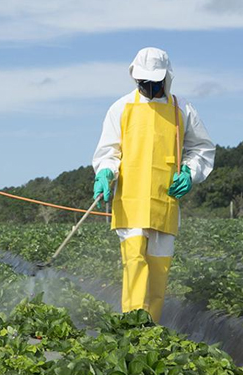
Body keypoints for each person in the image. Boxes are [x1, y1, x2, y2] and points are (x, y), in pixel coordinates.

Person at [92, 47, 214, 322]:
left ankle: (151, 332)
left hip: (165, 201)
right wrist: (105, 174)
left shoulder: (182, 109)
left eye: (154, 82)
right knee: (134, 264)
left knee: (158, 273)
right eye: (143, 83)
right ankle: (131, 329)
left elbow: (201, 149)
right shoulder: (121, 108)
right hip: (131, 201)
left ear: (166, 78)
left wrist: (189, 172)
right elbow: (109, 152)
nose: (148, 87)